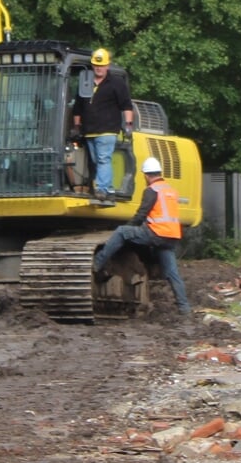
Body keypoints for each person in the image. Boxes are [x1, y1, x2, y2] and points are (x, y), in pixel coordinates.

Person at [93, 156, 190, 314]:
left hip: (156, 233)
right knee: (172, 273)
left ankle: (98, 263)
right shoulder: (170, 190)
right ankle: (184, 308)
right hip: (171, 237)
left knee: (121, 232)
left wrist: (128, 227)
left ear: (146, 175)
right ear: (159, 172)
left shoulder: (152, 190)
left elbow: (141, 215)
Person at [71, 47, 133, 198]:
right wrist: (77, 127)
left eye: (102, 65)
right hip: (89, 130)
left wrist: (128, 125)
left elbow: (126, 105)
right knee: (97, 161)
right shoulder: (85, 83)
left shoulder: (116, 83)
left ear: (107, 65)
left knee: (103, 159)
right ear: (93, 65)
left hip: (107, 129)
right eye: (96, 65)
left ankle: (102, 189)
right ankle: (108, 188)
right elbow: (78, 107)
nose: (99, 68)